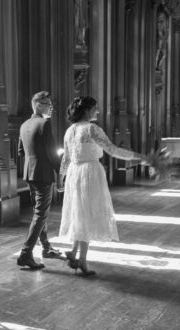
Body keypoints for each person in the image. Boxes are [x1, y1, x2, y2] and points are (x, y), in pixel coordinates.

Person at [58, 96, 147, 276]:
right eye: (95, 108)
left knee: (79, 212)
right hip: (90, 173)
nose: (97, 111)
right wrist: (141, 157)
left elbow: (66, 159)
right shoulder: (91, 129)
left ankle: (73, 252)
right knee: (88, 214)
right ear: (87, 110)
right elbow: (113, 150)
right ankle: (82, 260)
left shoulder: (69, 131)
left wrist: (61, 178)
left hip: (74, 174)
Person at [17, 91, 63, 269]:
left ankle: (46, 247)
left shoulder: (24, 124)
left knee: (38, 212)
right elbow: (52, 152)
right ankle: (26, 253)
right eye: (47, 104)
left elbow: (21, 152)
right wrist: (62, 172)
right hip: (43, 174)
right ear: (37, 105)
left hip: (29, 174)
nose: (50, 107)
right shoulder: (44, 123)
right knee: (40, 214)